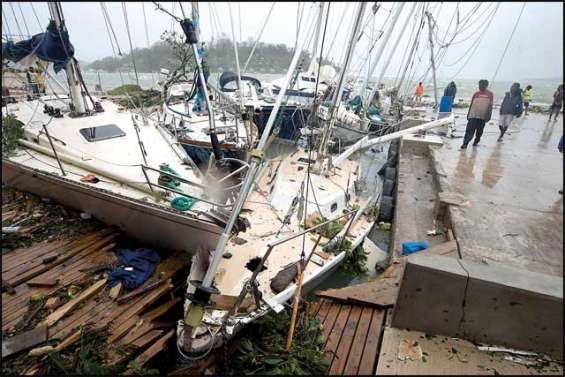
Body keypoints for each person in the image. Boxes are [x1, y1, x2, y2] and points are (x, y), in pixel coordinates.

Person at [460, 79, 493, 149]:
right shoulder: (476, 94)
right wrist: (468, 114)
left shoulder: (490, 94)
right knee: (469, 130)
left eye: (482, 85)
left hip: (482, 117)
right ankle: (465, 143)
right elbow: (472, 104)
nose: (480, 86)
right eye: (479, 85)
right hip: (473, 115)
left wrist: (489, 116)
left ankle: (476, 140)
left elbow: (490, 106)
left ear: (486, 86)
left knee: (479, 131)